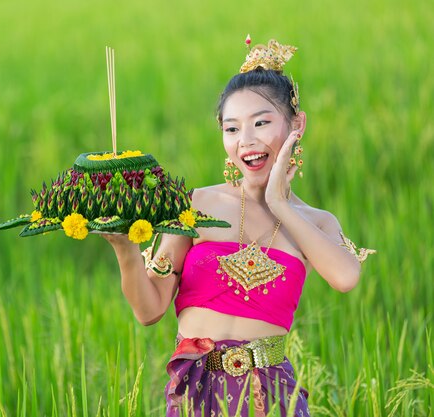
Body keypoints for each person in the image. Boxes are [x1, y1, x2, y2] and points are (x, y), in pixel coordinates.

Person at [103, 37, 374, 417]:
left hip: (272, 394)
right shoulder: (197, 204)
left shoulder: (315, 222)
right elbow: (149, 309)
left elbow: (346, 277)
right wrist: (123, 248)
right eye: (231, 129)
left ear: (297, 124)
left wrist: (280, 203)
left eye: (261, 123)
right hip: (196, 391)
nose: (246, 141)